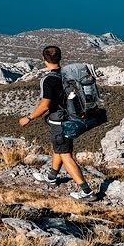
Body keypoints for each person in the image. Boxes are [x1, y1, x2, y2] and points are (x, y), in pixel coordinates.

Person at [20, 45, 98, 202]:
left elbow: (45, 105)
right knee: (60, 148)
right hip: (72, 117)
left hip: (59, 121)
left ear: (44, 60)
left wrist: (29, 117)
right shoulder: (67, 75)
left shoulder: (49, 80)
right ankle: (52, 177)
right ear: (60, 58)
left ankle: (86, 191)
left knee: (66, 155)